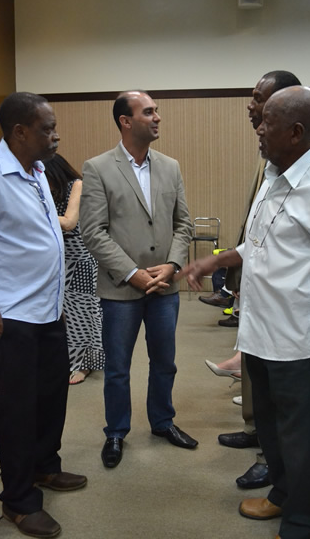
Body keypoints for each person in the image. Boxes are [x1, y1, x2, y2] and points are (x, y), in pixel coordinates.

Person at [181, 86, 310, 539]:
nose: (258, 128)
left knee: (297, 432)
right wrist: (217, 260)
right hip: (258, 330)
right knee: (268, 426)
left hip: (295, 337)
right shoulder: (273, 174)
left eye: (267, 121)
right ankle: (284, 493)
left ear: (296, 131)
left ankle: (303, 521)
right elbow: (260, 244)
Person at [217, 71, 310, 492]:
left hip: (292, 322)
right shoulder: (269, 158)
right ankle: (263, 445)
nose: (253, 110)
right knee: (263, 398)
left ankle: (280, 477)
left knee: (291, 418)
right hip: (261, 309)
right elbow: (262, 231)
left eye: (260, 101)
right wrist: (237, 265)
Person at [0, 92, 87, 539]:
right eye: (47, 129)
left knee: (50, 398)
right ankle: (18, 500)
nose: (56, 136)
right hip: (11, 317)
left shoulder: (38, 170)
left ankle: (44, 466)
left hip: (48, 311)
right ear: (20, 132)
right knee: (18, 411)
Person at [80, 90, 198, 469]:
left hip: (165, 286)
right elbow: (93, 231)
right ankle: (116, 431)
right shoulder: (98, 168)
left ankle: (163, 422)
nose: (157, 117)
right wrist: (132, 273)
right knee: (118, 368)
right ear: (126, 121)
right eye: (149, 112)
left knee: (165, 361)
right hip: (120, 289)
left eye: (156, 111)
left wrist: (173, 264)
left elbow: (184, 224)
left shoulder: (170, 167)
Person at [44, 154, 104, 385]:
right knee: (59, 313)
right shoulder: (43, 189)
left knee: (83, 313)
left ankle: (85, 364)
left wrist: (33, 214)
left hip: (80, 259)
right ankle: (67, 359)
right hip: (55, 258)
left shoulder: (76, 185)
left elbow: (69, 222)